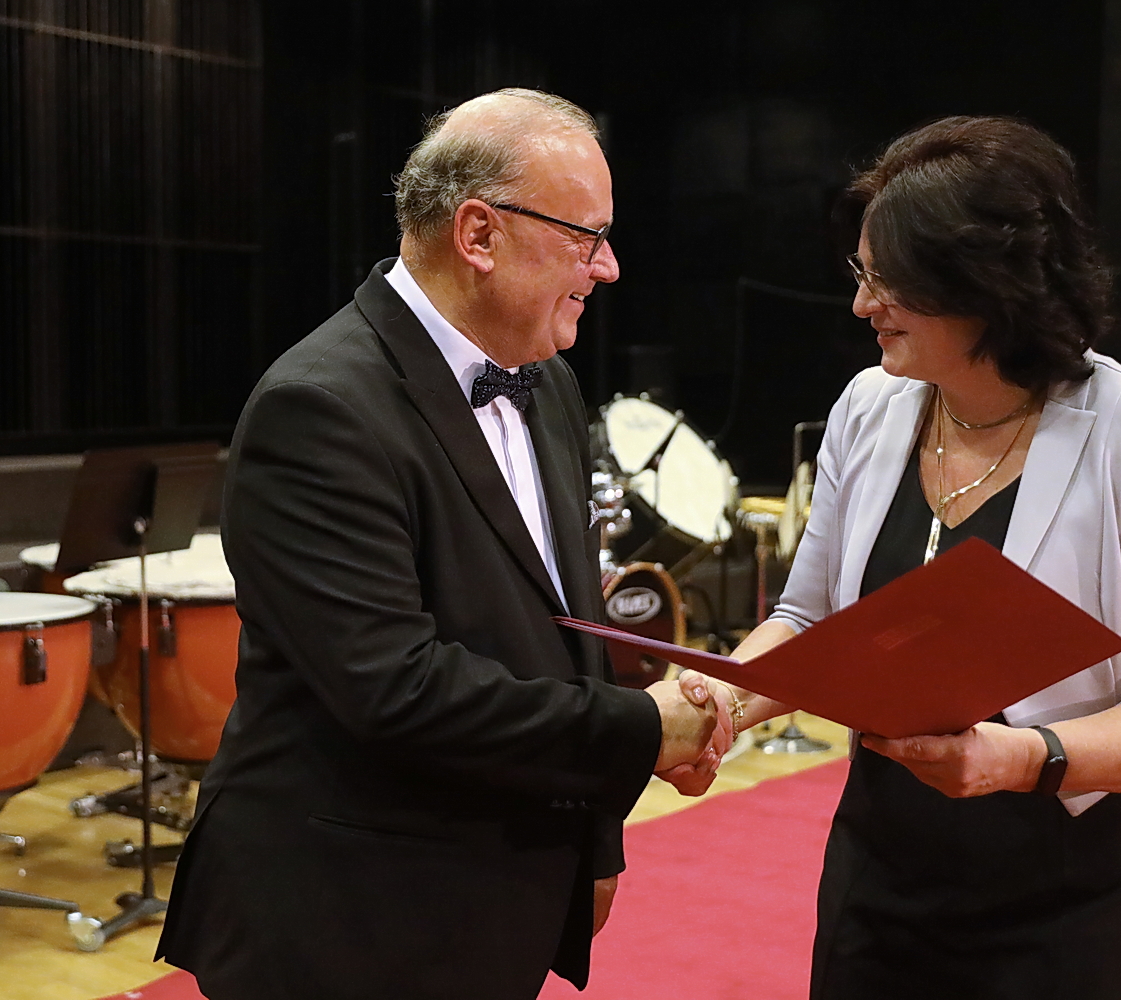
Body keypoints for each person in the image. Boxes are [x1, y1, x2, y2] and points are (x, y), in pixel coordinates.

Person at [156, 89, 730, 1000]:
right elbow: (396, 687)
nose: (608, 266)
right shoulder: (319, 407)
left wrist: (593, 844)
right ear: (478, 234)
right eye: (586, 236)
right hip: (346, 917)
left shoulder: (548, 382)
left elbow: (566, 638)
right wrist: (644, 730)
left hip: (496, 893)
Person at [716, 116, 1121, 999]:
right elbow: (807, 619)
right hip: (885, 867)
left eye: (886, 282)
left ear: (982, 283)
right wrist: (716, 706)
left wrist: (1022, 758)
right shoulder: (868, 406)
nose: (861, 306)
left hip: (1082, 892)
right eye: (860, 274)